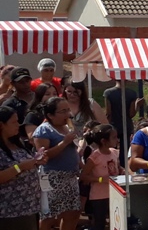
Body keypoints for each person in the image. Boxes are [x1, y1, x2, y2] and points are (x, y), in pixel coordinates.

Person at [33, 98, 79, 230]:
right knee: (50, 216)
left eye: (68, 110)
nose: (68, 114)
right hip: (52, 177)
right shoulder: (43, 130)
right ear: (50, 115)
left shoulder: (68, 127)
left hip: (70, 177)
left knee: (72, 212)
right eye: (63, 111)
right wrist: (64, 142)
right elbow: (43, 156)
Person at [0, 105, 45, 228]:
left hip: (30, 208)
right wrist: (20, 167)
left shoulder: (16, 143)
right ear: (1, 125)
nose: (18, 125)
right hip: (9, 212)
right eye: (13, 122)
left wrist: (36, 161)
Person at [81, 124, 122, 230]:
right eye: (114, 137)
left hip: (114, 193)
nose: (117, 140)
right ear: (104, 141)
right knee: (99, 223)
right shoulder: (95, 156)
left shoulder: (114, 152)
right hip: (99, 196)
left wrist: (123, 171)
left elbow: (117, 168)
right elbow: (83, 176)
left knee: (116, 221)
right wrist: (100, 179)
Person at [103, 77, 143, 165]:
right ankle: (124, 167)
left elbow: (108, 113)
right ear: (127, 79)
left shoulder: (108, 93)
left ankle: (112, 165)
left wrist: (106, 125)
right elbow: (131, 114)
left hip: (113, 125)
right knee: (125, 150)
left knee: (110, 148)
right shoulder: (132, 93)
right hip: (126, 125)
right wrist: (137, 106)